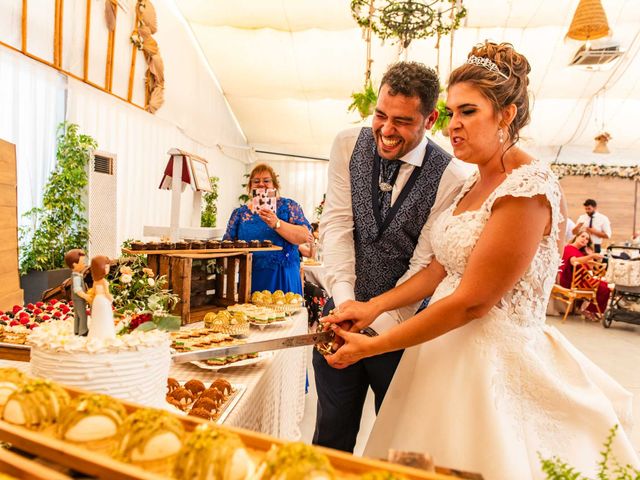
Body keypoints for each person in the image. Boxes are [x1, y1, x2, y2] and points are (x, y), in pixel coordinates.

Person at [323, 42, 639, 478]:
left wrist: (375, 345)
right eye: (452, 113)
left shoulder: (526, 187)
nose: (453, 127)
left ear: (505, 114)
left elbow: (474, 300)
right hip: (439, 355)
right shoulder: (473, 181)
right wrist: (371, 306)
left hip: (489, 370)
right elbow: (439, 269)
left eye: (467, 112)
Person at [313, 61, 468, 453]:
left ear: (430, 119)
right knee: (330, 436)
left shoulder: (451, 176)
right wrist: (346, 301)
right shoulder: (347, 143)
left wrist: (375, 326)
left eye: (401, 121)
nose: (385, 129)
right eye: (380, 115)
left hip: (402, 332)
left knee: (394, 443)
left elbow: (424, 265)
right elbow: (337, 224)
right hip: (340, 314)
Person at [223, 163, 312, 295]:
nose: (261, 184)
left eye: (266, 181)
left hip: (283, 275)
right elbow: (227, 245)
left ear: (274, 185)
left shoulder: (289, 207)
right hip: (251, 277)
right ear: (250, 186)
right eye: (256, 181)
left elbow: (304, 236)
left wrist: (277, 223)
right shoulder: (240, 214)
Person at [559, 231, 610, 321]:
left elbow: (590, 267)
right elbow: (574, 261)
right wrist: (592, 256)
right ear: (576, 237)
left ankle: (590, 309)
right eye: (582, 236)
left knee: (605, 285)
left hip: (580, 280)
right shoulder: (568, 248)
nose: (584, 239)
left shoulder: (580, 252)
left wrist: (590, 254)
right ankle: (589, 309)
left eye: (587, 239)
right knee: (604, 288)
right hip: (571, 281)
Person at [88, 255, 115, 340]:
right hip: (103, 300)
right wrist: (111, 298)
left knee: (97, 317)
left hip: (97, 300)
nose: (108, 268)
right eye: (107, 267)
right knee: (105, 316)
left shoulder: (95, 281)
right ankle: (105, 334)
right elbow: (107, 293)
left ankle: (96, 334)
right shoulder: (104, 281)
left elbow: (93, 291)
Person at [64, 249, 90, 336]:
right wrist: (86, 296)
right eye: (82, 263)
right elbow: (77, 289)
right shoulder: (76, 277)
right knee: (82, 315)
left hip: (77, 299)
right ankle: (83, 331)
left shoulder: (77, 275)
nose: (85, 264)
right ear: (75, 265)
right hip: (79, 299)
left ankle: (76, 330)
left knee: (77, 315)